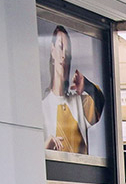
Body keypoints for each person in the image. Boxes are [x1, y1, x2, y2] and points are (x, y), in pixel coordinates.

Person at [42, 25, 105, 154]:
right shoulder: (42, 107)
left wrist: (86, 84)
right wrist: (46, 147)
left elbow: (100, 102)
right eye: (60, 47)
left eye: (68, 51)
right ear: (52, 50)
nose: (64, 55)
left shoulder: (79, 103)